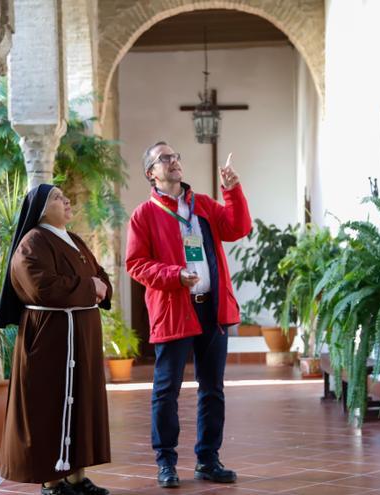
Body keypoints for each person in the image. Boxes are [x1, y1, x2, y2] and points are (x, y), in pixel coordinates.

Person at [125, 142, 252, 488]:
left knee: (212, 389)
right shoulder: (144, 215)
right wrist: (174, 276)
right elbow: (135, 265)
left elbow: (237, 228)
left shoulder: (205, 205)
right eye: (164, 158)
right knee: (167, 391)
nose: (174, 161)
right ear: (152, 173)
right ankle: (165, 463)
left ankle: (208, 460)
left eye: (175, 156)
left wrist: (232, 190)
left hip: (212, 308)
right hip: (174, 310)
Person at [0, 184, 112, 495]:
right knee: (49, 404)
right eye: (59, 197)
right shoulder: (32, 243)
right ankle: (52, 480)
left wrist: (99, 286)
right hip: (49, 338)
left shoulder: (73, 240)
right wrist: (91, 287)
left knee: (80, 404)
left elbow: (100, 276)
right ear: (42, 209)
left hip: (80, 335)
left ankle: (76, 477)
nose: (67, 200)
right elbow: (43, 288)